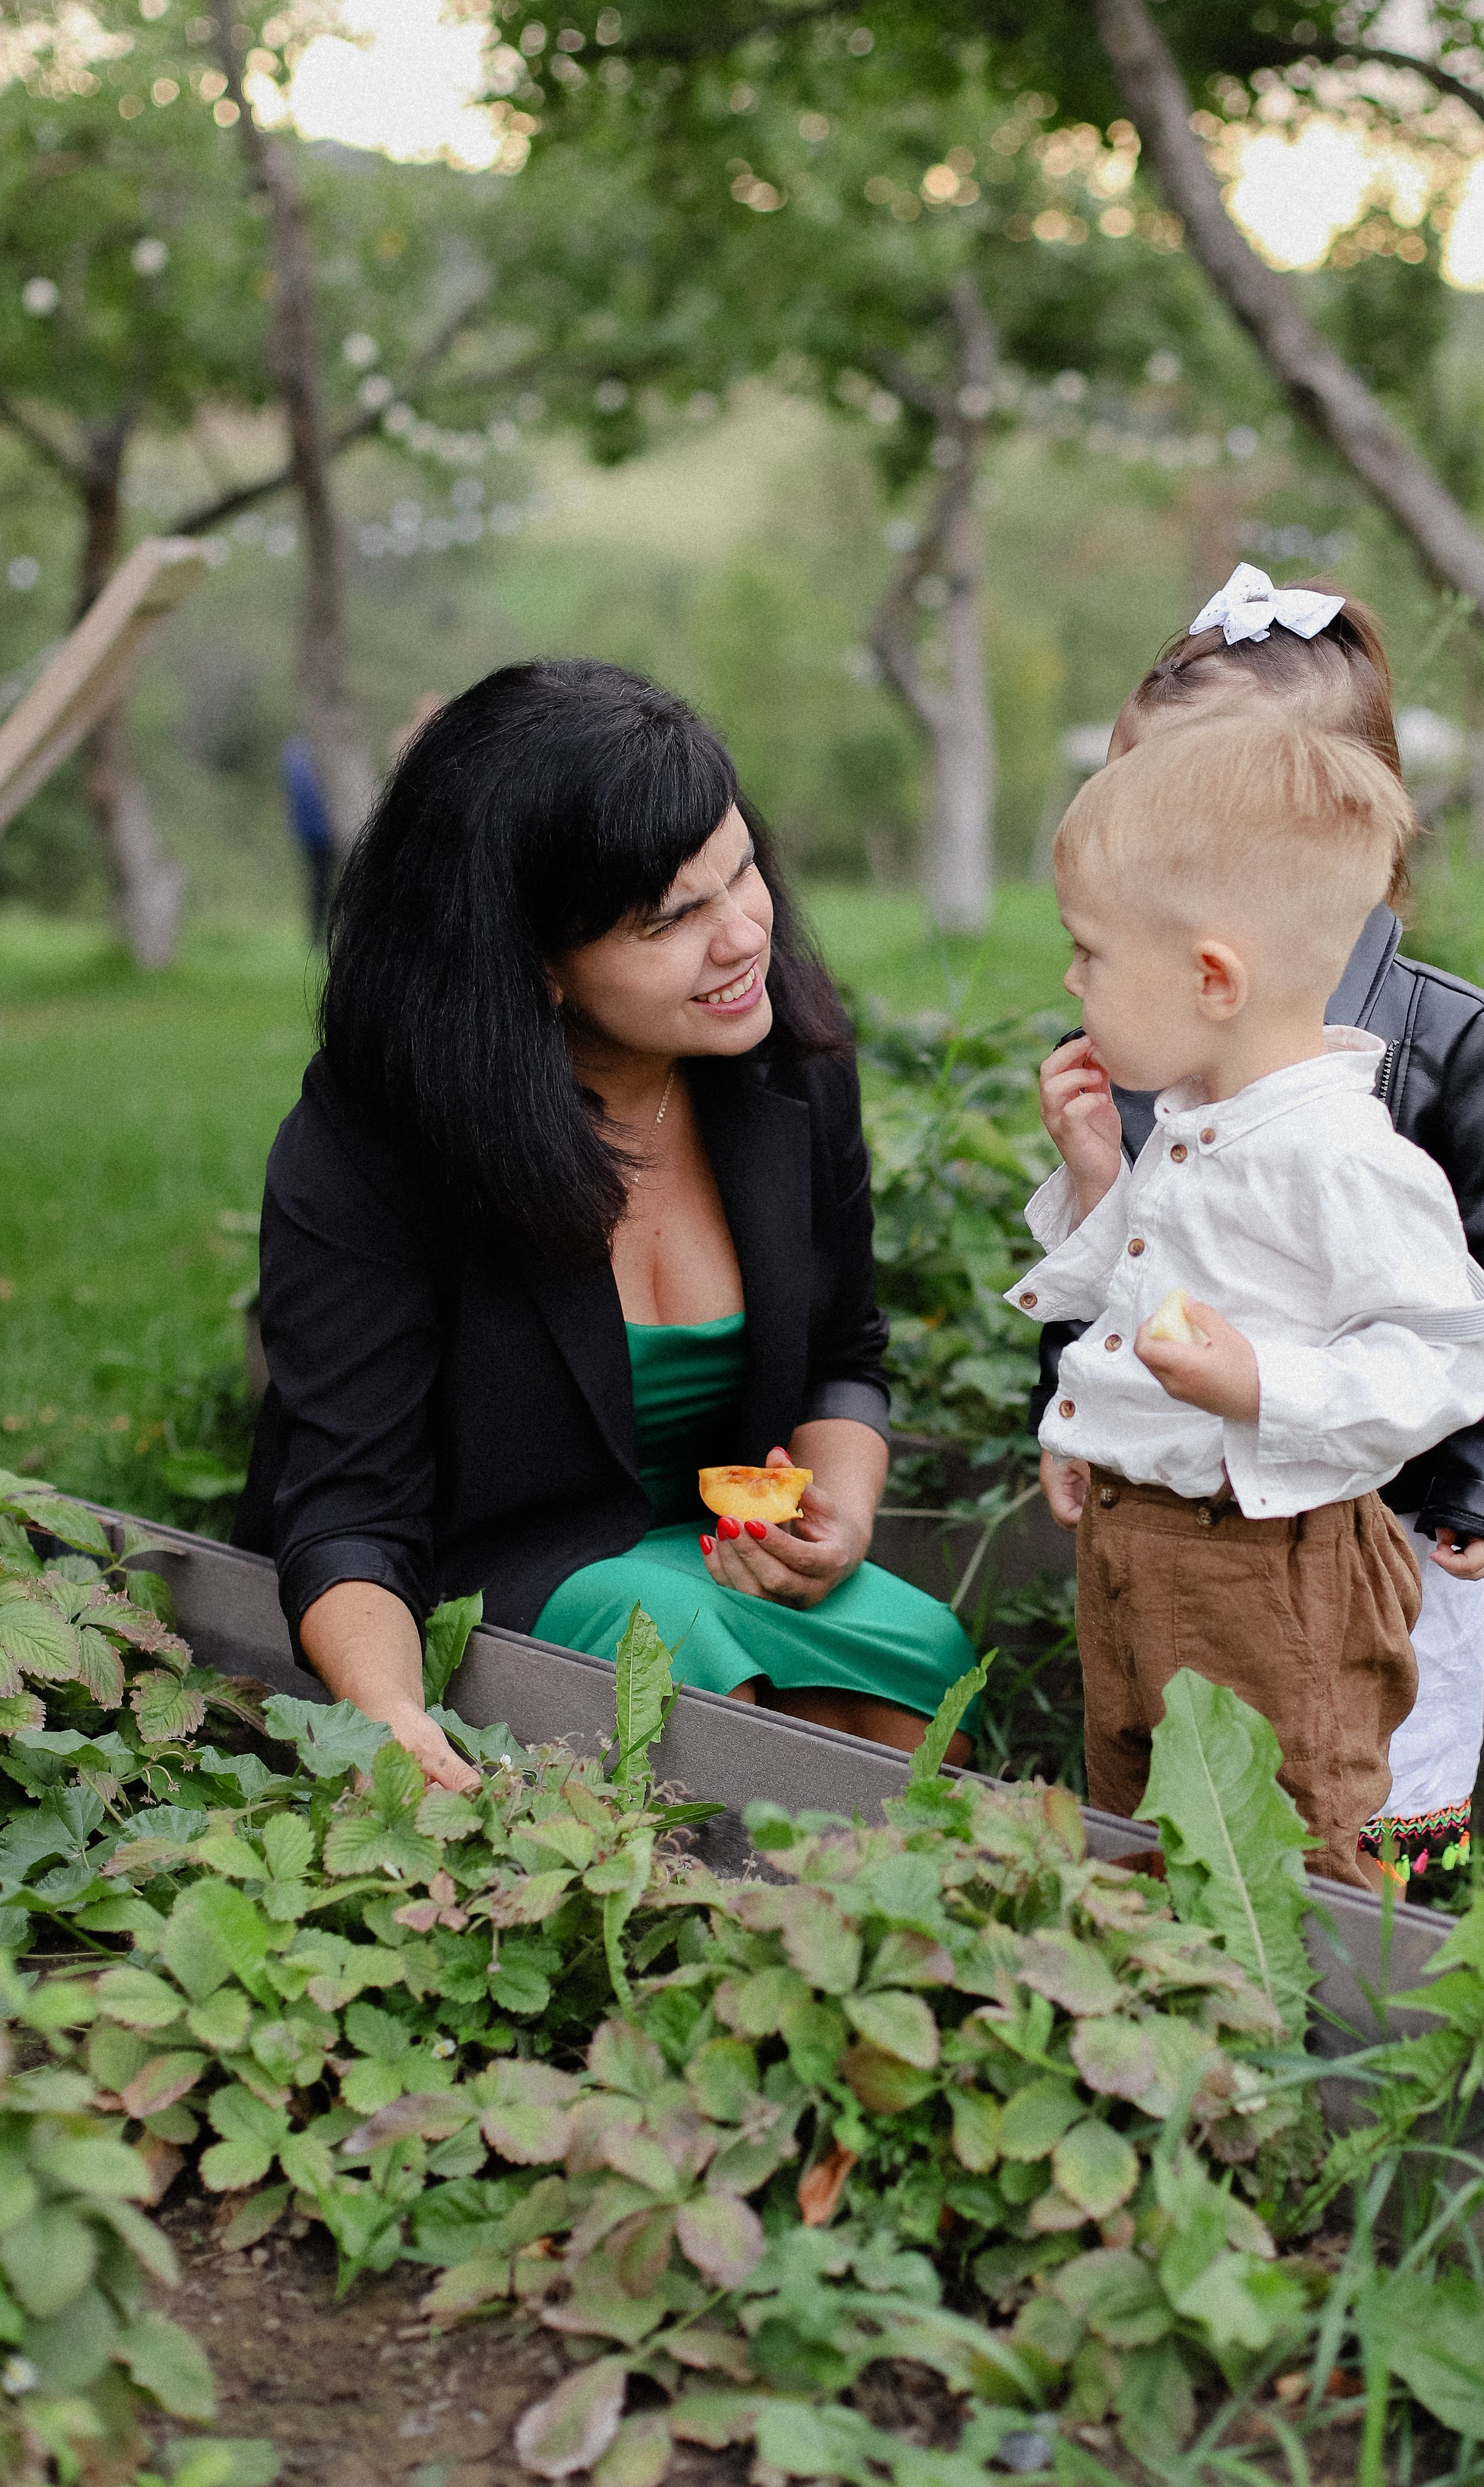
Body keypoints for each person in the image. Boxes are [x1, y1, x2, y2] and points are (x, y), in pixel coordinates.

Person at [235, 660, 975, 1791]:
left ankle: (907, 1941)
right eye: (676, 918)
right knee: (675, 1653)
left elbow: (842, 1355)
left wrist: (843, 1516)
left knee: (916, 1656)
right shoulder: (380, 1138)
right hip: (485, 1574)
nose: (742, 936)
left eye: (742, 873)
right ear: (539, 970)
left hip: (718, 1560)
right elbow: (348, 1503)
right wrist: (385, 1714)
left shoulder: (785, 1064)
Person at [1031, 564, 1484, 1883]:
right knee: (1196, 1756)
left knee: (1377, 1751)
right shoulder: (1160, 1049)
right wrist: (1078, 1400)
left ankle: (1383, 1951)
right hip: (1193, 1519)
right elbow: (1143, 1266)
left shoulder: (1422, 1050)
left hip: (1384, 1498)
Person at [279, 734, 335, 943]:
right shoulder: (308, 752)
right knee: (324, 883)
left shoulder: (294, 750)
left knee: (319, 883)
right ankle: (320, 934)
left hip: (308, 831)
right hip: (324, 830)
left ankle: (317, 934)